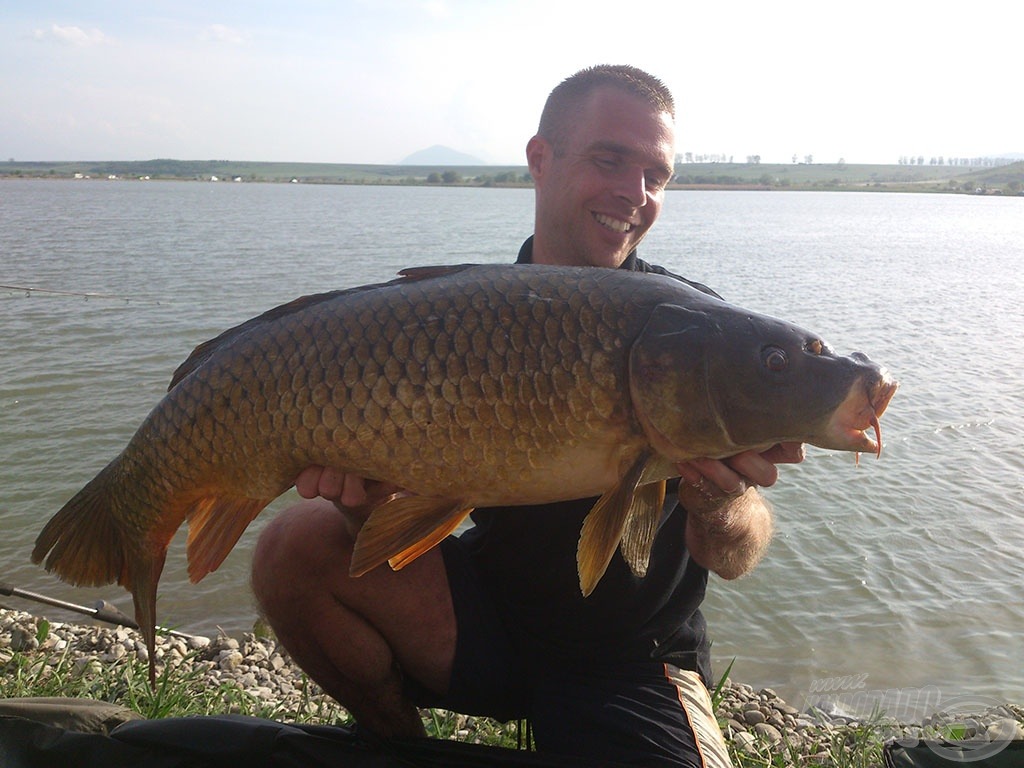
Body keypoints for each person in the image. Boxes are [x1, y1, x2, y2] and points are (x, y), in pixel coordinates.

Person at [251, 65, 804, 768]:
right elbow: (404, 524)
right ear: (541, 160)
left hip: (632, 661)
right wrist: (369, 502)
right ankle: (395, 745)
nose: (634, 195)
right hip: (487, 619)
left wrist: (718, 501)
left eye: (655, 176)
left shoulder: (697, 337)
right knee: (295, 543)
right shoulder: (467, 318)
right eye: (610, 160)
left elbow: (736, 556)